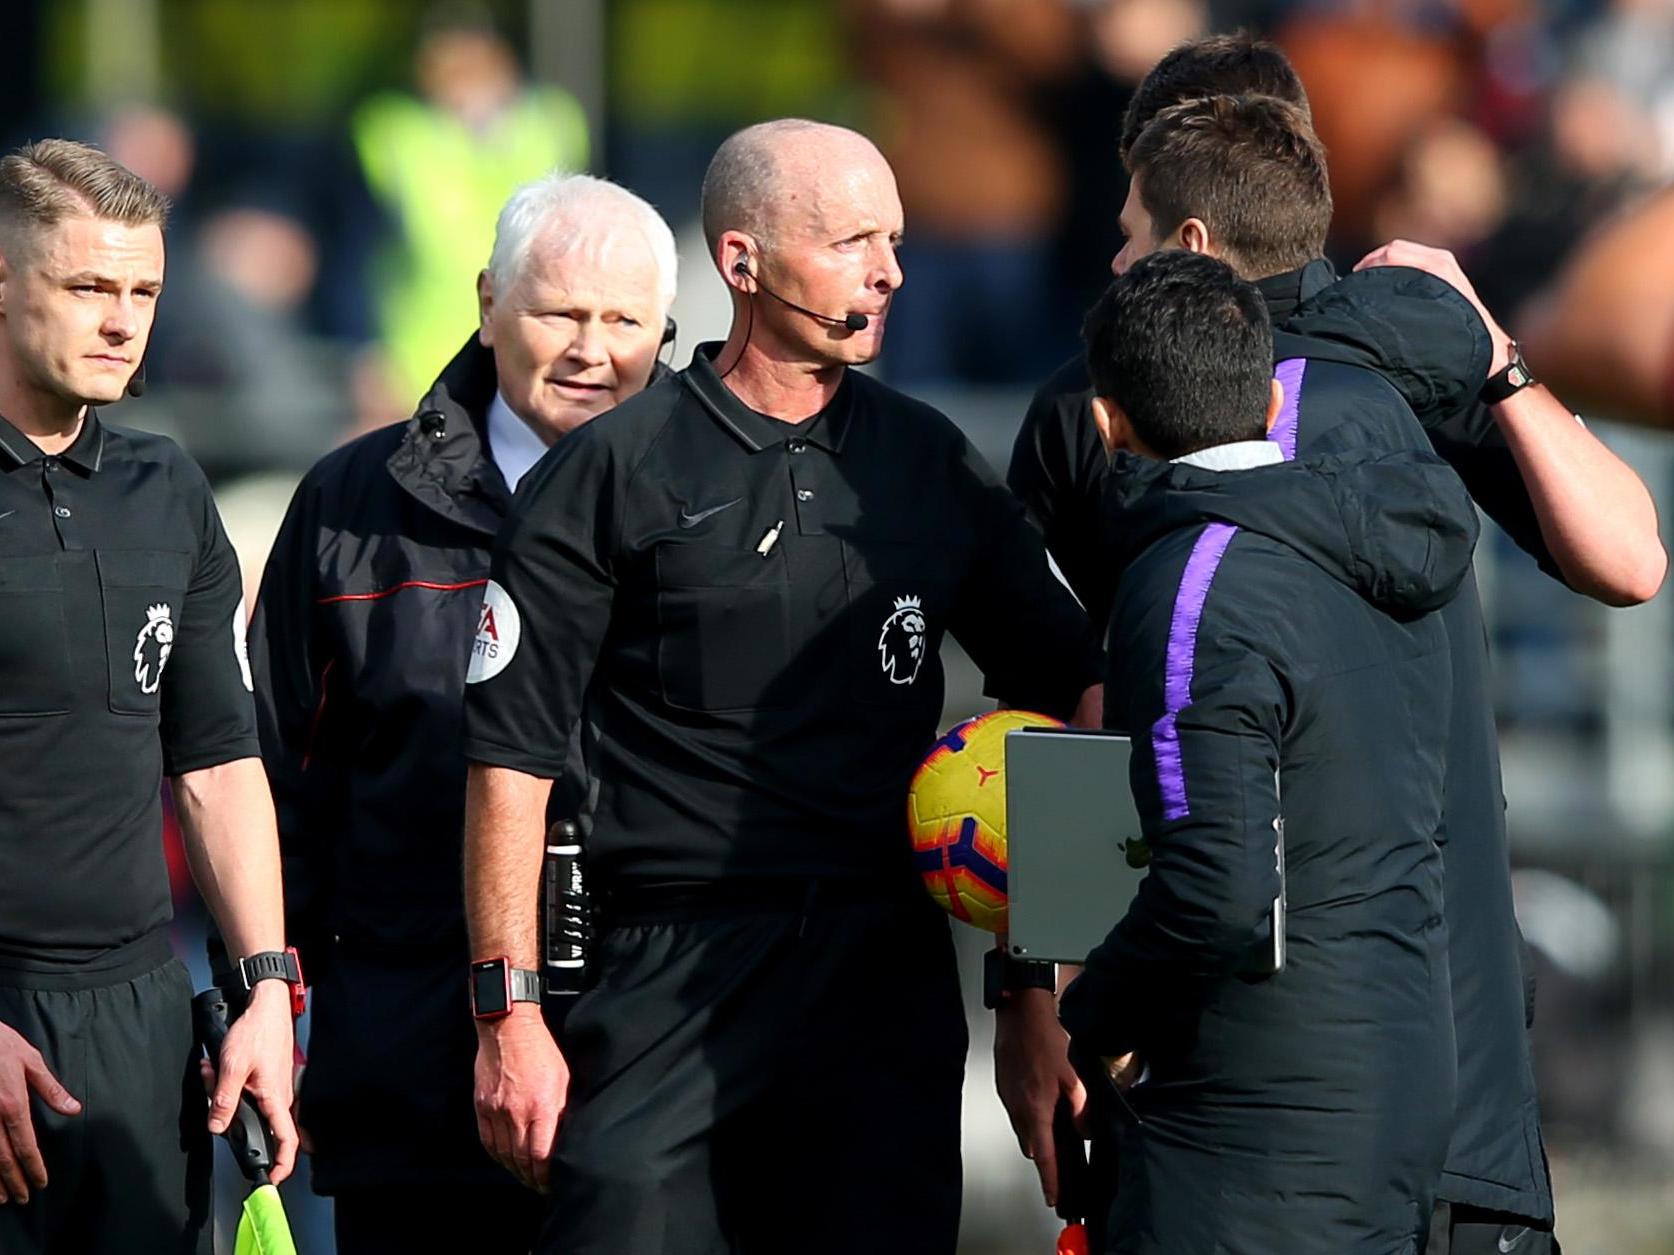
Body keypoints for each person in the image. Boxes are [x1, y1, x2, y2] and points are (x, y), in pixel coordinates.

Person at [1002, 85, 1664, 1255]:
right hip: (1452, 1070)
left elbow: (1092, 728)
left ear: (1191, 247)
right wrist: (1492, 347)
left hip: (1252, 1098)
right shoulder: (1412, 355)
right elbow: (1632, 557)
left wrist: (1050, 1002)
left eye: (1131, 231)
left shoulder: (1116, 423)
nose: (1116, 260)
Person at [461, 118, 1104, 1254]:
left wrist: (1037, 988)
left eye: (894, 239)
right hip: (667, 979)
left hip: (881, 991)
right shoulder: (611, 470)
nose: (891, 271)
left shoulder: (928, 462)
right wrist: (508, 1013)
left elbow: (1075, 700)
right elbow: (510, 760)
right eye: (853, 240)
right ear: (741, 263)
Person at [249, 172, 678, 1255]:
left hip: (660, 1074)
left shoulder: (716, 506)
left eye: (623, 320)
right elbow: (279, 789)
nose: (592, 348)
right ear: (488, 303)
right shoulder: (351, 508)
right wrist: (276, 1001)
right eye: (559, 313)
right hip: (411, 1075)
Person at [1062, 247, 1472, 1253]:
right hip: (1398, 1077)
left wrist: (1096, 1010)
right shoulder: (1367, 552)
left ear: (1107, 418)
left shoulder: (1197, 579)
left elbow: (1221, 886)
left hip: (1256, 1130)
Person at [0, 138, 296, 1253]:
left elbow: (218, 761)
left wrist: (267, 991)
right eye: (88, 287)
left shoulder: (166, 486)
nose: (123, 320)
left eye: (143, 291)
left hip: (144, 1025)